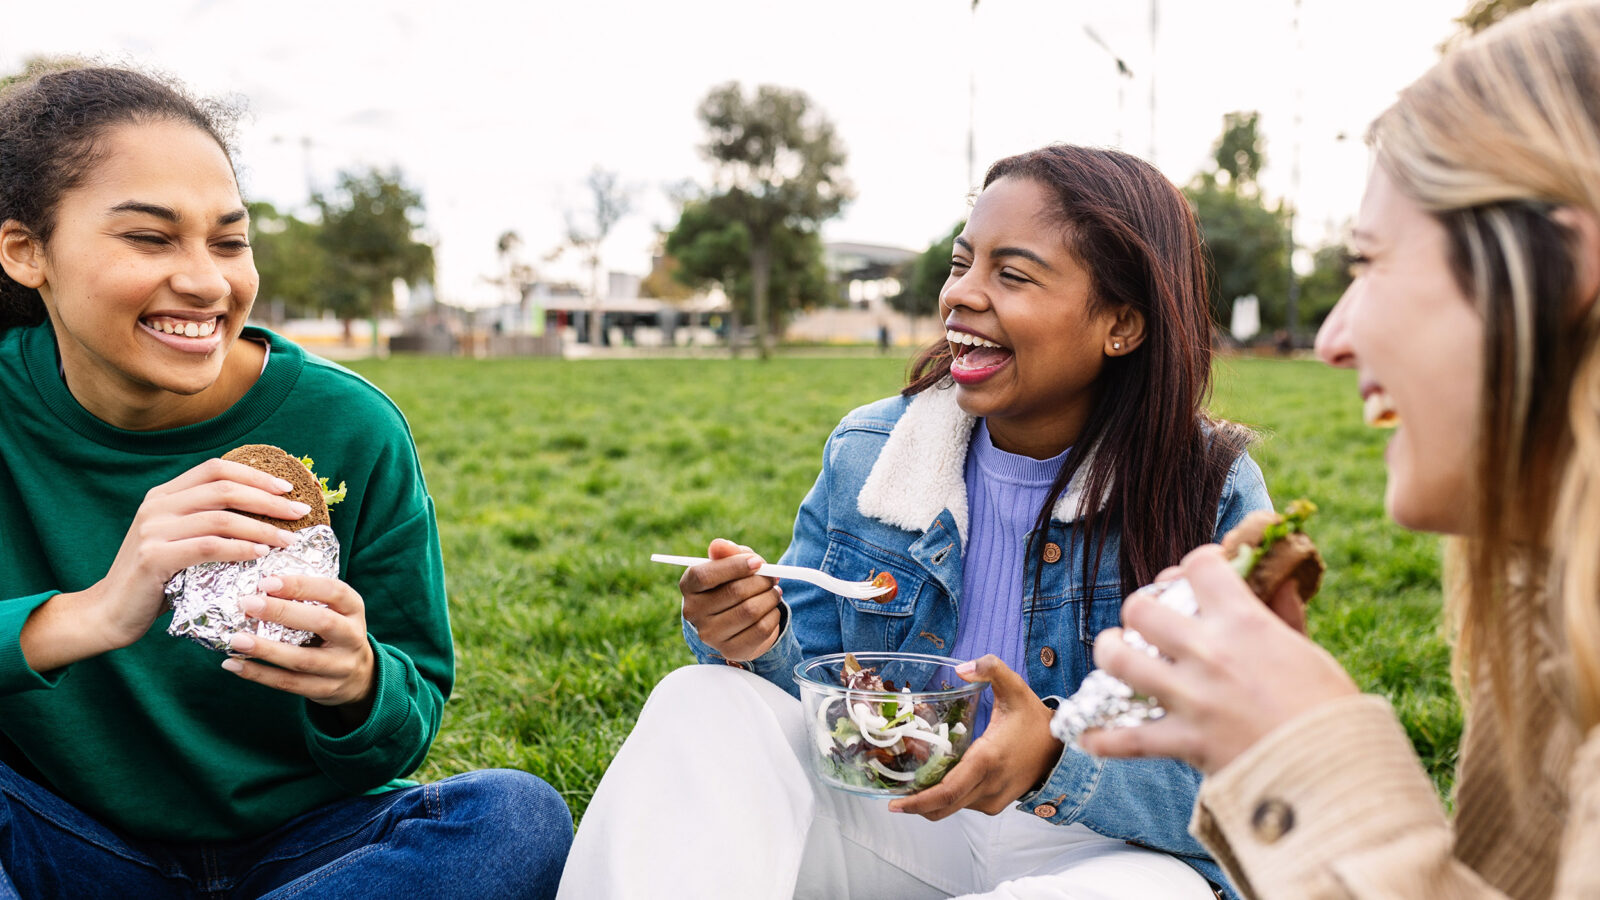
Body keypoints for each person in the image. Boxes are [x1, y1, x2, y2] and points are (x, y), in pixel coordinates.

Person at [559, 144, 1272, 899]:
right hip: (898, 811)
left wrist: (1054, 759)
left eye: (1013, 274)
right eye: (962, 263)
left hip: (1101, 853)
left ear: (1121, 325)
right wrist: (754, 638)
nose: (961, 295)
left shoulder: (1211, 493)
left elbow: (1250, 788)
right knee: (700, 701)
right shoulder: (872, 452)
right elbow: (808, 690)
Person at [0, 64, 572, 898]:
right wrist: (93, 611)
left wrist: (359, 685)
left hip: (308, 851)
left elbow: (407, 722)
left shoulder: (348, 427)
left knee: (516, 820)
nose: (205, 281)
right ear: (26, 251)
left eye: (229, 240)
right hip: (72, 844)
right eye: (151, 238)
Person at [1083, 3, 1600, 897]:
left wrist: (1311, 756)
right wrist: (1263, 740)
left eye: (1369, 263)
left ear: (1560, 265)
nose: (1332, 338)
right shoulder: (1556, 612)